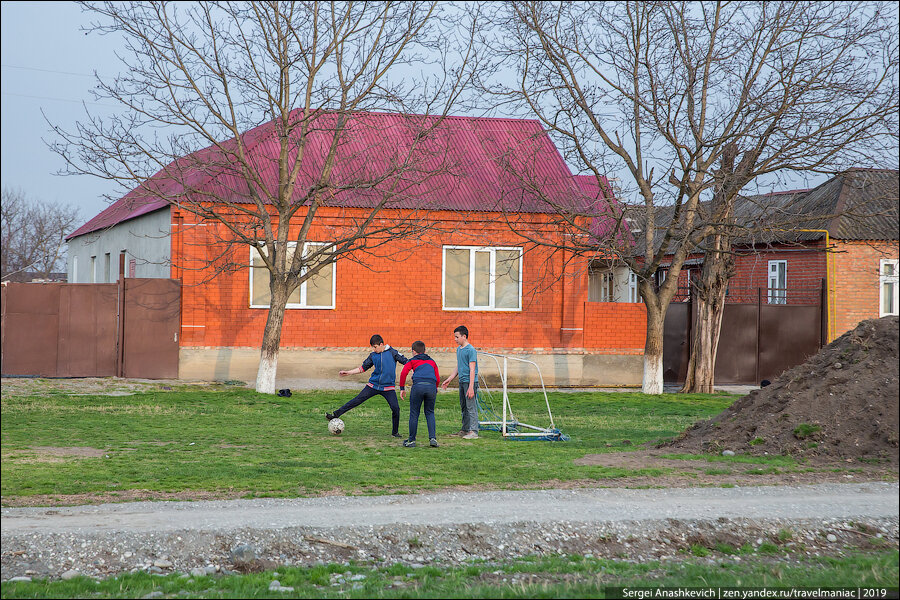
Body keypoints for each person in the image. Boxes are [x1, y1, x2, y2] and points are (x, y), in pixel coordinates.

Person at [326, 334, 408, 438]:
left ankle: (395, 433)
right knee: (357, 400)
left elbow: (407, 362)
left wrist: (418, 367)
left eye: (375, 347)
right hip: (373, 385)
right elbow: (362, 368)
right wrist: (348, 372)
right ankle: (335, 415)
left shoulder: (393, 352)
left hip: (388, 388)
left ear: (381, 344)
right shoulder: (373, 355)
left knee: (396, 409)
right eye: (372, 347)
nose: (374, 349)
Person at [398, 341, 441, 448]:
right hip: (431, 386)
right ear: (425, 351)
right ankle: (432, 438)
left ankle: (411, 440)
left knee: (414, 413)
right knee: (430, 412)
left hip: (418, 386)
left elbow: (403, 373)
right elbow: (437, 377)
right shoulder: (432, 361)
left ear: (413, 351)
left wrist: (402, 388)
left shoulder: (412, 360)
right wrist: (435, 387)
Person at [440, 325, 479, 439]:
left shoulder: (471, 350)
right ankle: (465, 429)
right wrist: (450, 379)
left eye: (457, 337)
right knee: (464, 406)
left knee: (471, 406)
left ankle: (474, 431)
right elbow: (459, 366)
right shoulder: (459, 349)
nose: (455, 339)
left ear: (464, 336)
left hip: (469, 382)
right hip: (462, 382)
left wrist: (471, 387)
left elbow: (472, 369)